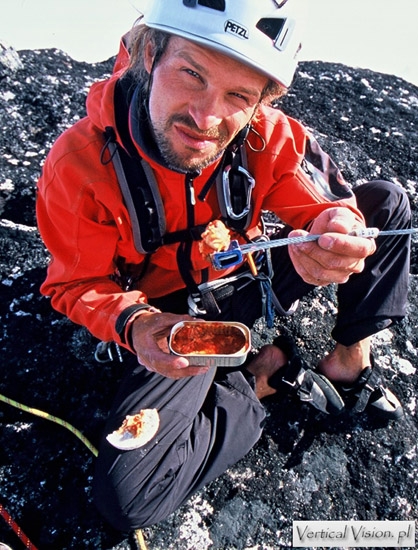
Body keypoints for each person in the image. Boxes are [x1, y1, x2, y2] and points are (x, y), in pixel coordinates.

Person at [36, 0, 411, 532]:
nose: (206, 119)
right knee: (130, 497)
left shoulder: (267, 136)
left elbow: (326, 201)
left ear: (261, 101)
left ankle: (348, 361)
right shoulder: (80, 164)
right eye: (192, 73)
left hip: (248, 276)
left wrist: (336, 231)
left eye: (238, 95)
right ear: (148, 53)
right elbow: (76, 283)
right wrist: (137, 324)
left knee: (386, 205)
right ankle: (261, 378)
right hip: (178, 324)